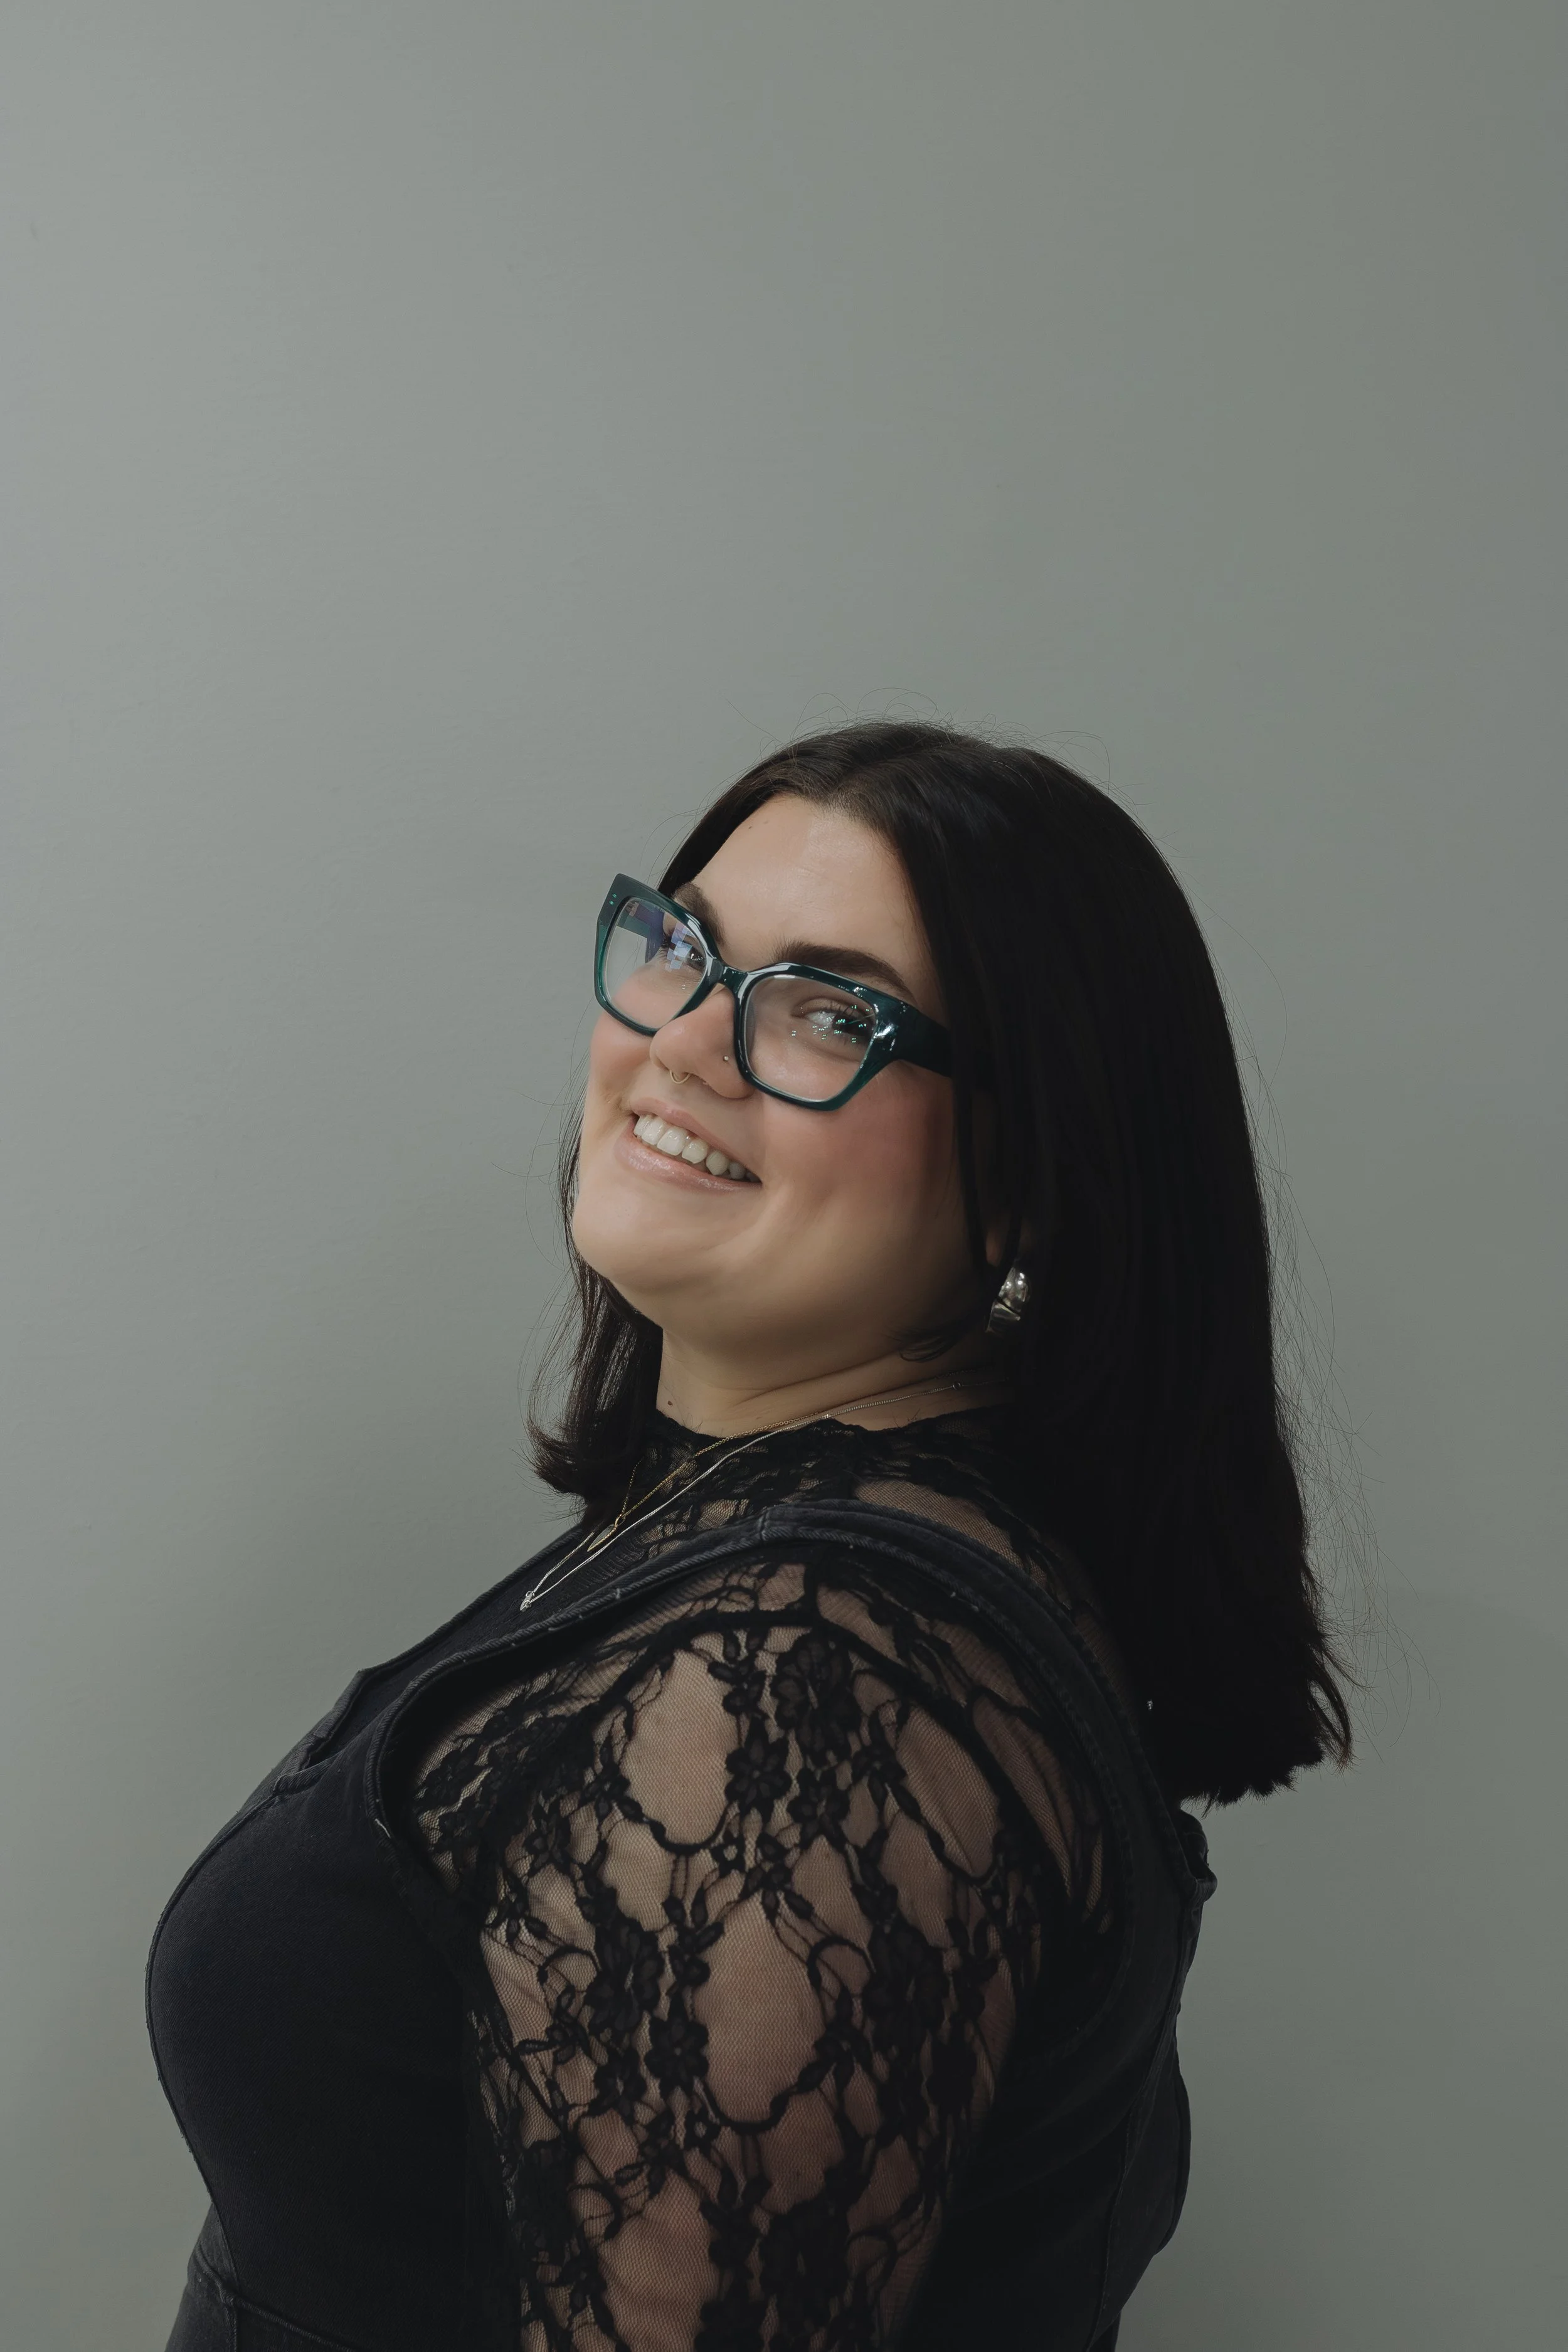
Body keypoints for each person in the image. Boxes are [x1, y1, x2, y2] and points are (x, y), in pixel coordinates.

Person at [147, 721, 1353, 2352]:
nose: (688, 1044)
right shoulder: (801, 1548)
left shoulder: (796, 1686)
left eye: (827, 1009)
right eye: (686, 950)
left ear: (1022, 1179)